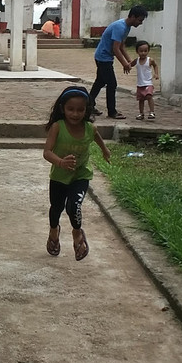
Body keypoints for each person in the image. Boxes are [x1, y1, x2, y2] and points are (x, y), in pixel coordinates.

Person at [43, 85, 111, 261]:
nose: (75, 114)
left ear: (87, 110)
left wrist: (104, 150)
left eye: (80, 110)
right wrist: (60, 162)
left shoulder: (89, 128)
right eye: (71, 109)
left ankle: (77, 233)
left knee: (73, 206)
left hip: (81, 175)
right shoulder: (57, 127)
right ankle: (54, 231)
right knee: (56, 208)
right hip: (59, 177)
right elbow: (47, 152)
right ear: (62, 109)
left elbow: (96, 135)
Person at [89, 5, 147, 119]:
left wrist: (129, 60)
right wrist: (124, 64)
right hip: (103, 58)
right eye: (140, 20)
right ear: (133, 17)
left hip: (104, 57)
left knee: (100, 82)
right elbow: (115, 49)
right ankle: (112, 112)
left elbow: (121, 46)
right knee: (112, 84)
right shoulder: (120, 27)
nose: (140, 23)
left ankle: (89, 105)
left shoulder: (126, 27)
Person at [130, 40, 159, 120]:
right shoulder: (136, 60)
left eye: (145, 51)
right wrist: (127, 67)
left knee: (149, 96)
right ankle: (141, 113)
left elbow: (155, 66)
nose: (143, 53)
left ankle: (152, 112)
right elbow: (130, 64)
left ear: (148, 51)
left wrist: (156, 74)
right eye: (141, 51)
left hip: (148, 83)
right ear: (137, 51)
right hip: (140, 84)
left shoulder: (150, 60)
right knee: (141, 99)